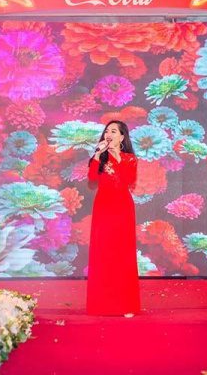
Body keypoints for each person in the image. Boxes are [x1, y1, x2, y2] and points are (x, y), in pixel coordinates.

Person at [86, 120, 140, 317]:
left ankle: (126, 304)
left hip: (123, 208)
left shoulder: (130, 159)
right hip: (104, 208)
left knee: (123, 253)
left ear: (122, 137)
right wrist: (98, 154)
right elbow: (92, 178)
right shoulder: (99, 158)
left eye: (114, 131)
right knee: (103, 252)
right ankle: (102, 305)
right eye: (107, 131)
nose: (108, 134)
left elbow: (128, 180)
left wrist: (117, 155)